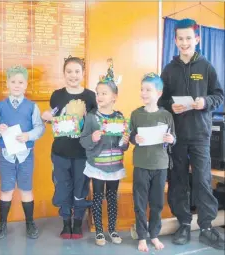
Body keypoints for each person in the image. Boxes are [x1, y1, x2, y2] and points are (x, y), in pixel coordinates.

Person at [158, 18, 224, 250]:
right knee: (177, 181)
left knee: (203, 180)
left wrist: (205, 101)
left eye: (189, 38)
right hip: (176, 135)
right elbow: (160, 99)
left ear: (197, 39)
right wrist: (169, 106)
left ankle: (206, 227)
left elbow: (219, 95)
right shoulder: (169, 69)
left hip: (200, 134)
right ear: (175, 41)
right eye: (180, 38)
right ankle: (184, 223)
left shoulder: (206, 67)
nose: (184, 42)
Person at [42, 56, 97, 239]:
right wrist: (47, 117)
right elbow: (53, 118)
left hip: (82, 152)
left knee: (80, 187)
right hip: (61, 152)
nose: (73, 75)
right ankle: (66, 222)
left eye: (77, 71)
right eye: (69, 71)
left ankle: (78, 222)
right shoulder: (57, 95)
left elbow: (95, 121)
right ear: (63, 73)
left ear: (82, 73)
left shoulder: (90, 96)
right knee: (63, 187)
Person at [0, 66, 45, 240]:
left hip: (25, 155)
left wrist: (28, 135)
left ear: (26, 85)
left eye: (20, 82)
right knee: (6, 189)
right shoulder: (0, 106)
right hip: (6, 155)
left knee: (26, 189)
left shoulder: (31, 107)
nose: (17, 85)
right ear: (7, 84)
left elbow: (40, 128)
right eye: (13, 82)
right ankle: (2, 224)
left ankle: (30, 223)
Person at [80, 60, 129, 246]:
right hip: (97, 166)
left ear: (114, 96)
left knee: (112, 198)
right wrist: (92, 138)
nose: (99, 96)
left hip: (115, 165)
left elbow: (124, 146)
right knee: (98, 197)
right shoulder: (92, 117)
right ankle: (99, 231)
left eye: (104, 93)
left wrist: (125, 142)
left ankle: (113, 229)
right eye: (98, 93)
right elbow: (83, 141)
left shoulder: (120, 117)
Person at [130, 73, 175, 252]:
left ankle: (154, 235)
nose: (144, 93)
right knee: (140, 203)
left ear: (159, 92)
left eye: (148, 89)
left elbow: (173, 138)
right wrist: (135, 138)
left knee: (157, 203)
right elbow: (130, 136)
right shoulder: (135, 114)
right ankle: (142, 236)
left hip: (160, 165)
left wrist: (171, 139)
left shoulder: (166, 115)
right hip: (141, 165)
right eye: (142, 89)